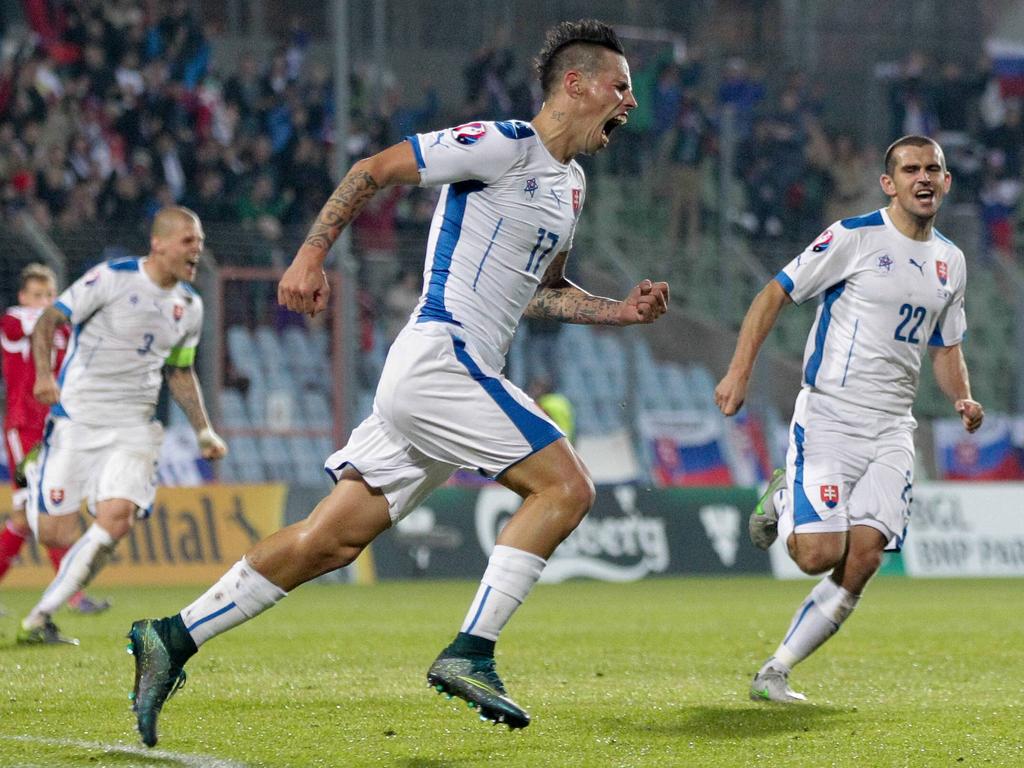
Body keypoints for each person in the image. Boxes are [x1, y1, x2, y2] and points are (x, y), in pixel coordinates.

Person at [128, 18, 669, 747]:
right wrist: (309, 255)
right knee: (567, 487)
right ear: (576, 84)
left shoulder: (569, 186)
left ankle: (172, 637)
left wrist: (619, 312)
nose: (629, 102)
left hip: (457, 380)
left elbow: (539, 292)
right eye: (621, 86)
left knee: (330, 540)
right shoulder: (501, 144)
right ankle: (471, 650)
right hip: (440, 360)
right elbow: (374, 170)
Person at [714, 135, 984, 702]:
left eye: (933, 168)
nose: (924, 177)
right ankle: (785, 496)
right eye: (911, 169)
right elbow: (772, 296)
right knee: (818, 555)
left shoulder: (950, 262)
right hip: (832, 415)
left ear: (947, 180)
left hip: (893, 426)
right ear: (889, 183)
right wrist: (739, 373)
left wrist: (962, 396)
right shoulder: (853, 237)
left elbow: (946, 347)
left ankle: (776, 671)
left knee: (863, 559)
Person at [16, 207, 227, 645]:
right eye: (189, 241)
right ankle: (38, 471)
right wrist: (42, 375)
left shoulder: (189, 306)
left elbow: (181, 372)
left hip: (135, 426)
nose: (197, 250)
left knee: (118, 519)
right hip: (78, 418)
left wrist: (204, 430)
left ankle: (41, 616)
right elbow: (49, 320)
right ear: (160, 244)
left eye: (200, 241)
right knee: (55, 531)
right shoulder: (112, 278)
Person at [0, 263, 109, 615]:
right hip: (23, 428)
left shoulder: (62, 334)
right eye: (36, 295)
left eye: (48, 295)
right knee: (36, 510)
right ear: (22, 297)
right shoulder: (13, 322)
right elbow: (41, 322)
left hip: (55, 429)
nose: (43, 302)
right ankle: (73, 596)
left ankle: (72, 594)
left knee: (35, 512)